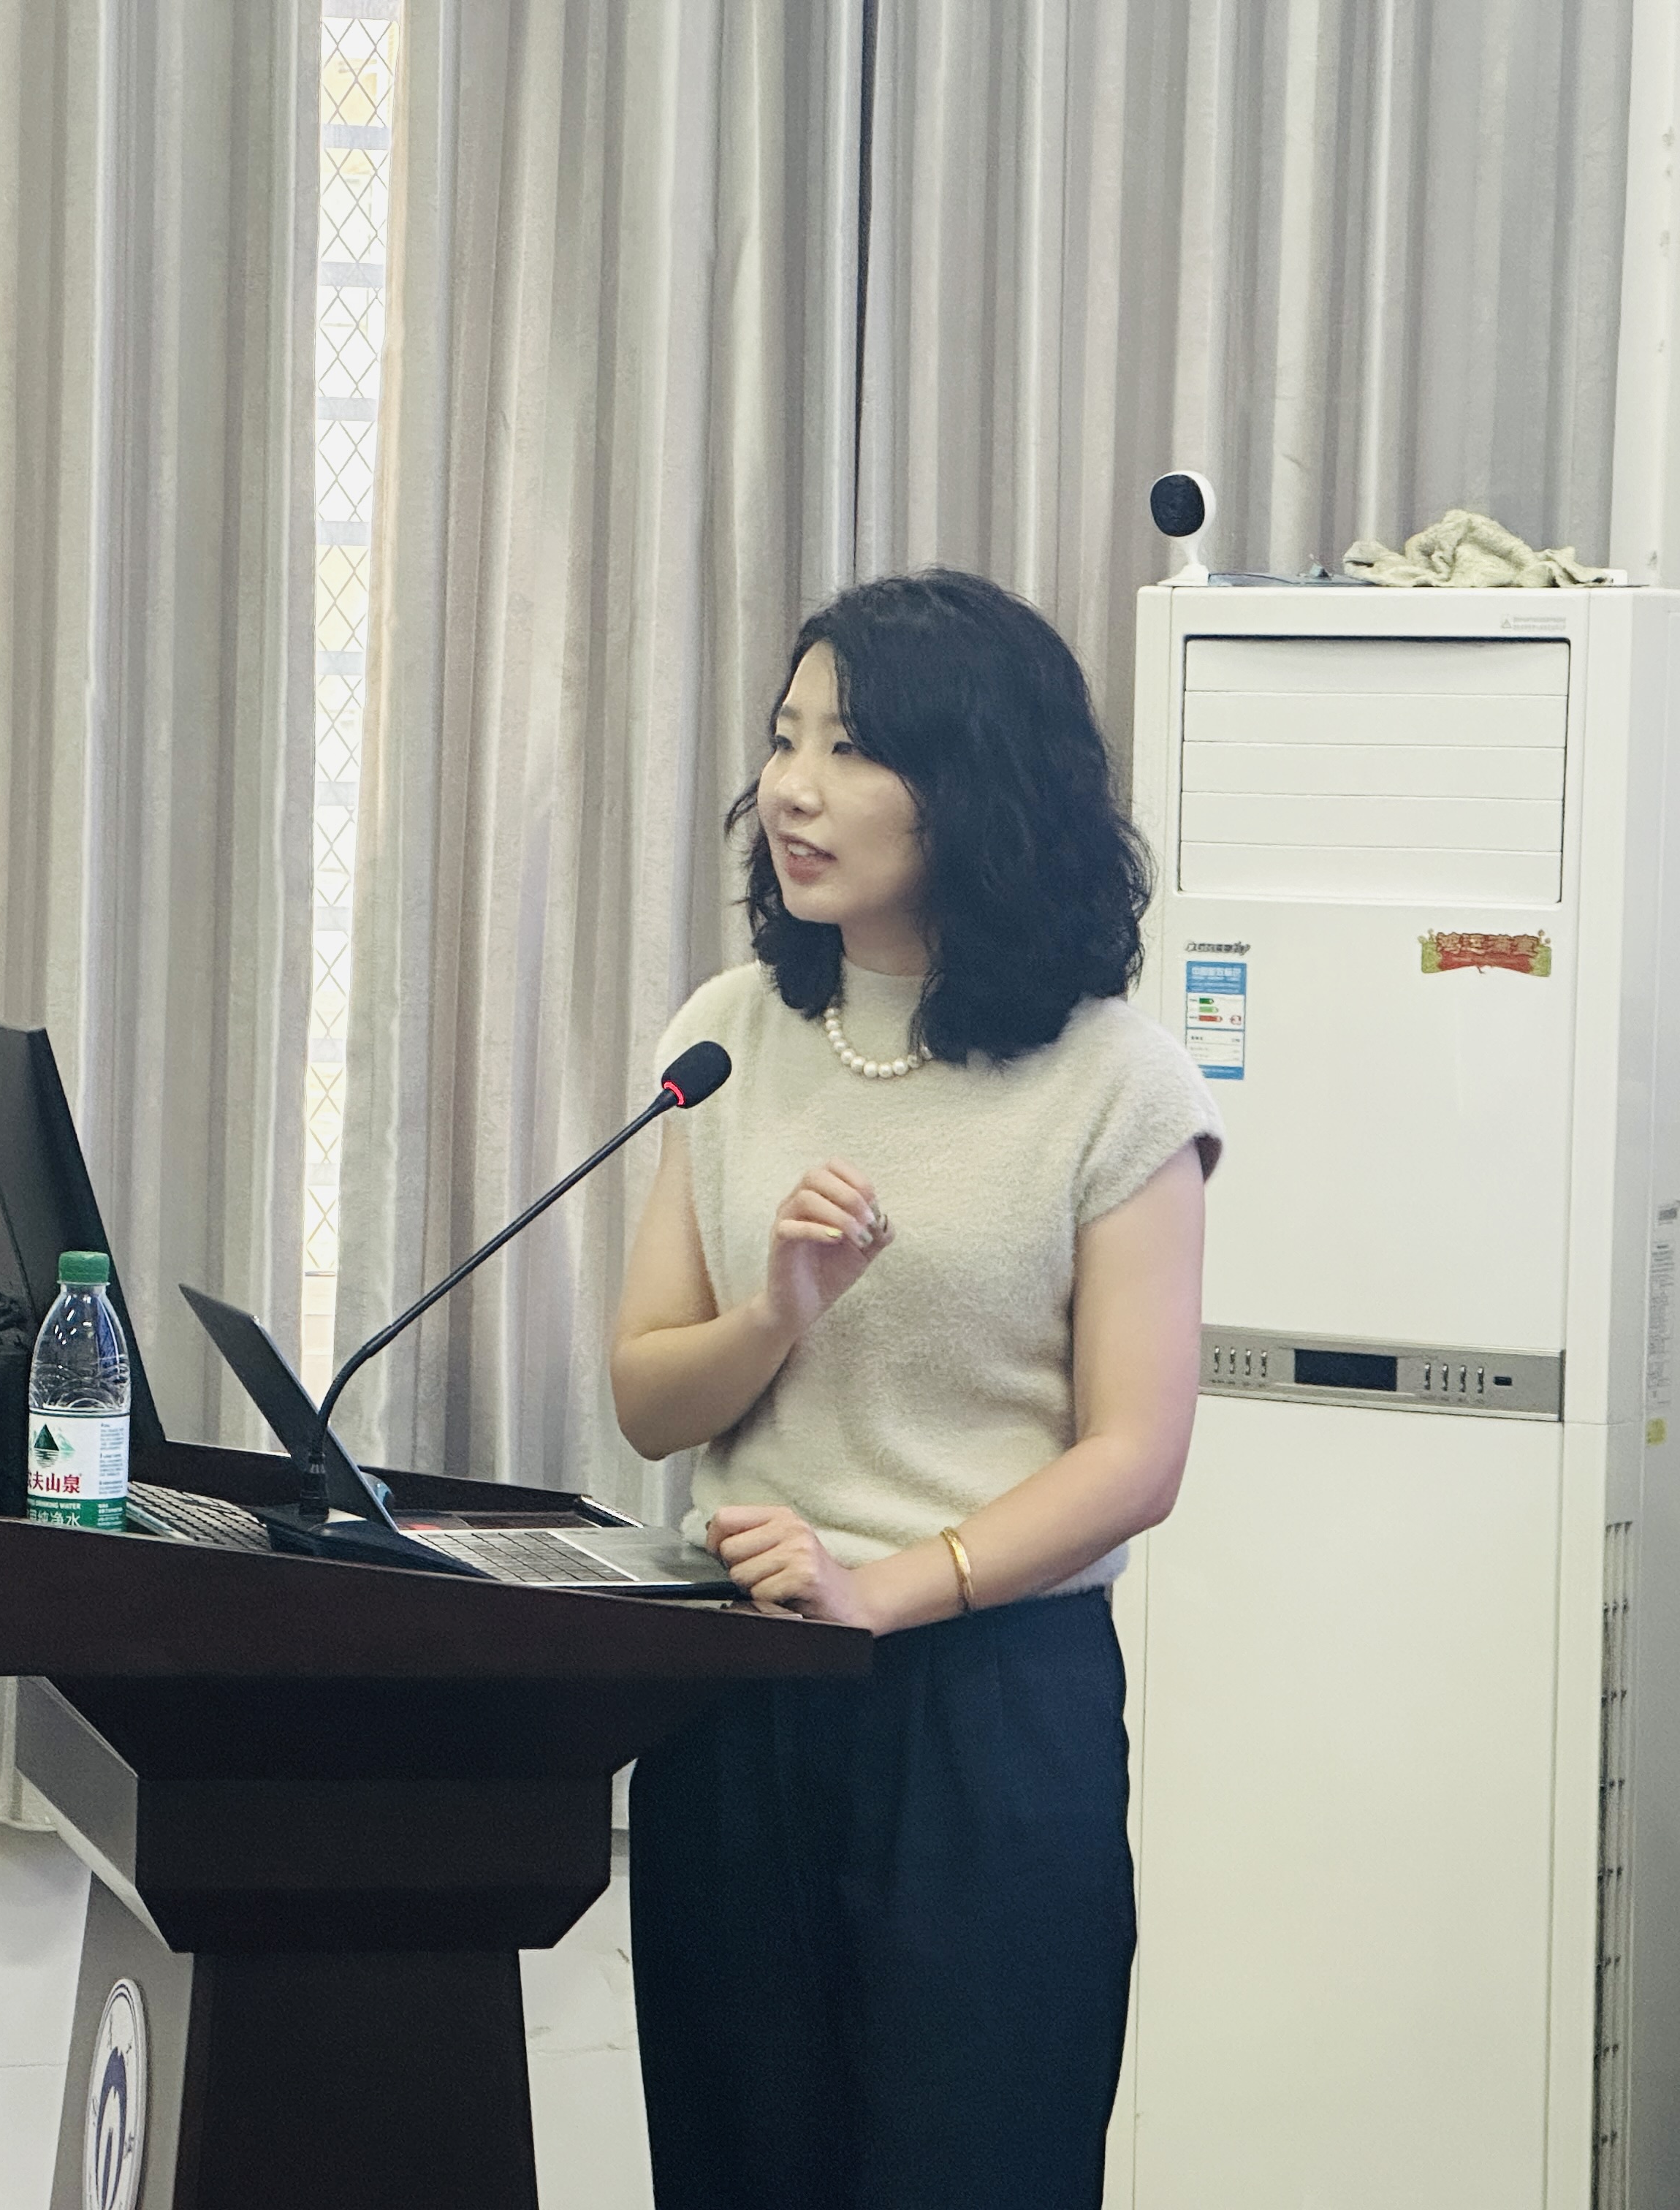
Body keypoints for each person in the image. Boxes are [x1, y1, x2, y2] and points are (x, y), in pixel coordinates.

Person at [610, 570, 1221, 2209]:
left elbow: (1138, 1454)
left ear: (975, 790)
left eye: (852, 748)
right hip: (737, 1691)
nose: (792, 790)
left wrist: (879, 1591)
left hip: (988, 1715)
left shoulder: (1118, 1083)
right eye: (784, 739)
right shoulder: (729, 1036)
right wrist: (777, 1314)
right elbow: (650, 1402)